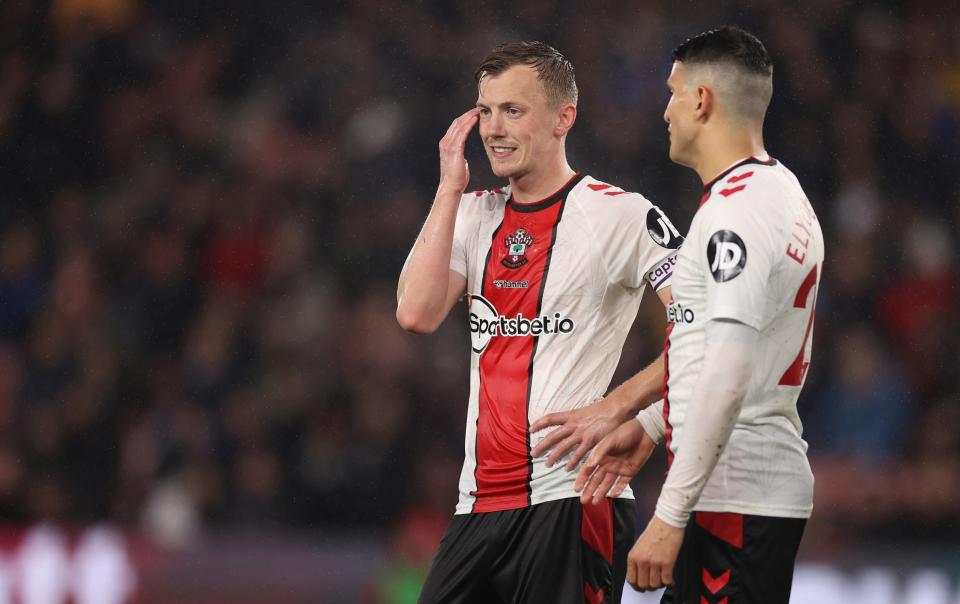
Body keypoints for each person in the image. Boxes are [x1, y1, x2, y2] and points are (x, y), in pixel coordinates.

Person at [396, 41, 680, 603]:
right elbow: (416, 313)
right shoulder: (473, 213)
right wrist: (449, 187)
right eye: (486, 111)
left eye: (514, 110)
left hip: (572, 499)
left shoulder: (620, 214)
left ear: (563, 118)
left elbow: (709, 327)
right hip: (477, 505)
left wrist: (633, 411)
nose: (494, 129)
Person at [575, 27, 824, 604]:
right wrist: (656, 426)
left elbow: (730, 370)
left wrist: (669, 513)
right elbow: (730, 349)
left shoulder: (733, 215)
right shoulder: (780, 192)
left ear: (702, 100)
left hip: (731, 499)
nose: (665, 110)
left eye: (672, 92)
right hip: (743, 492)